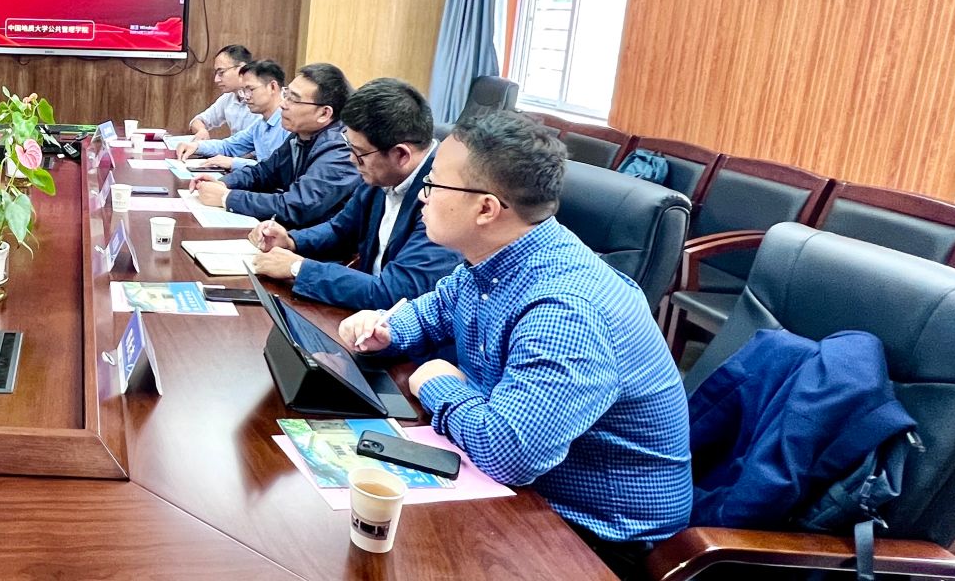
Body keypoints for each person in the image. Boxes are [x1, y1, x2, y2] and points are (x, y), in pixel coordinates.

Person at [337, 112, 691, 575]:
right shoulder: (497, 256)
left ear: (486, 209)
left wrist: (437, 382)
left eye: (435, 184)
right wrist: (387, 329)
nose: (422, 195)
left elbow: (509, 452)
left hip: (593, 538)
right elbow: (436, 309)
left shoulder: (566, 309)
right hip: (524, 489)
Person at [248, 78, 457, 310]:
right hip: (363, 317)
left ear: (401, 155)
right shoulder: (382, 172)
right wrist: (291, 241)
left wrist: (298, 268)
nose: (351, 159)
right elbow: (340, 231)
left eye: (358, 152)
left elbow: (395, 293)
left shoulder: (444, 197)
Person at [191, 63, 358, 229]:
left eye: (294, 99)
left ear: (324, 113)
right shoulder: (300, 135)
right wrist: (223, 183)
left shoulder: (340, 150)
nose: (283, 104)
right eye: (286, 95)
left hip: (313, 241)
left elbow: (296, 206)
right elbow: (263, 172)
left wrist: (227, 198)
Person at [175, 59, 286, 169]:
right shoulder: (260, 124)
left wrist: (234, 162)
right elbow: (229, 146)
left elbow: (278, 170)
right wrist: (197, 146)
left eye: (250, 89)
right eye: (244, 91)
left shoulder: (288, 125)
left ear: (272, 87)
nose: (246, 97)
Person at [185, 43, 258, 141]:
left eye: (221, 72)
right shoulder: (228, 98)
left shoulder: (261, 100)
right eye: (216, 73)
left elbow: (252, 145)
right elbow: (197, 121)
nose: (216, 80)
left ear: (242, 68)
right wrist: (202, 131)